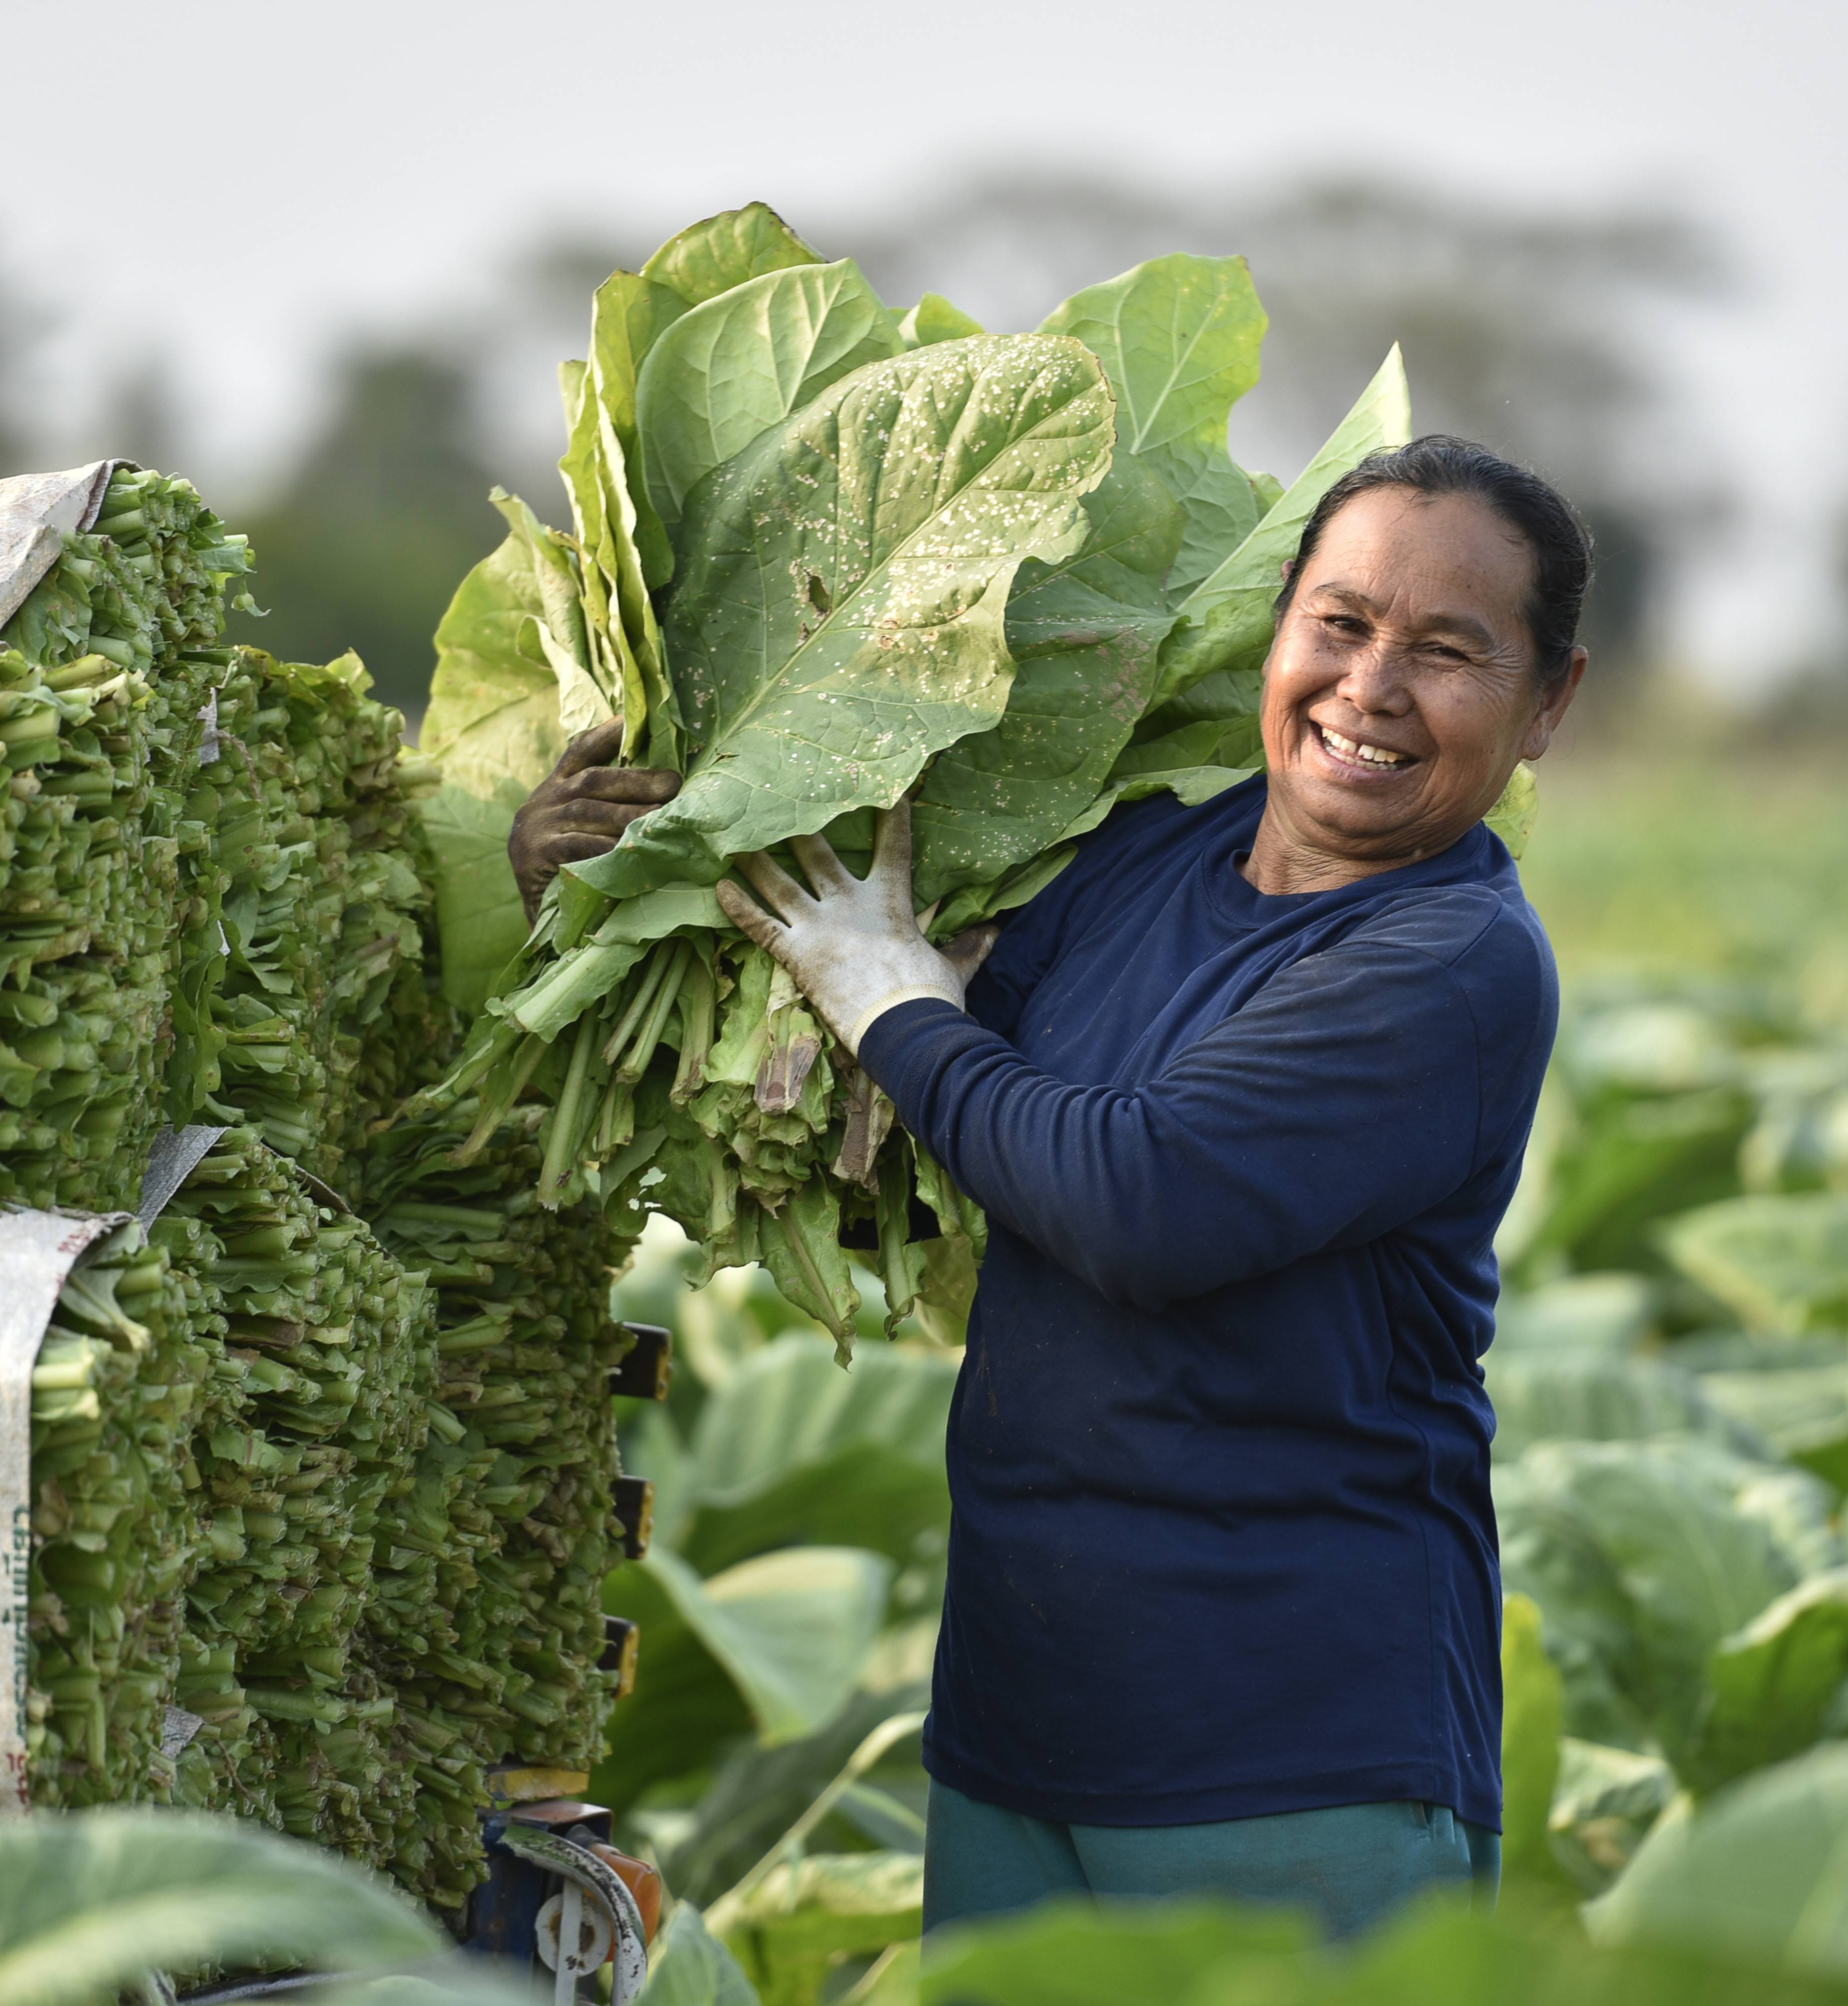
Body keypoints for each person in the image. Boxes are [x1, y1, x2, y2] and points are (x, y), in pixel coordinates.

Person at [509, 436, 1588, 1939]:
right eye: (1340, 624)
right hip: (1026, 1729)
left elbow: (1139, 1206)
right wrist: (612, 899)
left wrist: (889, 997)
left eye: (1450, 652)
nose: (1373, 687)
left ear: (1547, 706)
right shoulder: (1147, 860)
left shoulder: (1446, 965)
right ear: (1279, 629)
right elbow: (898, 1146)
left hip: (1290, 1759)